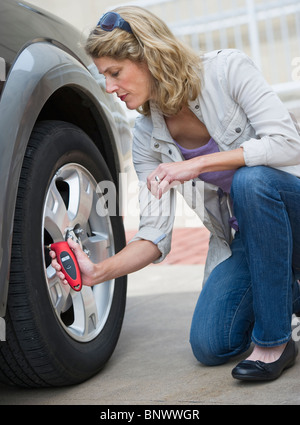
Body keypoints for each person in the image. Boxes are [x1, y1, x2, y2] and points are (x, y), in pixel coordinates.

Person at [50, 6, 300, 381]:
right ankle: (286, 293)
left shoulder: (227, 71)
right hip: (252, 240)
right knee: (211, 343)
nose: (110, 87)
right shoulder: (146, 137)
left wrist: (196, 164)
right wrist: (98, 272)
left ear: (149, 56)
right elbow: (154, 235)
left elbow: (288, 144)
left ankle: (274, 343)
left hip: (290, 208)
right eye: (104, 76)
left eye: (115, 73)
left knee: (252, 181)